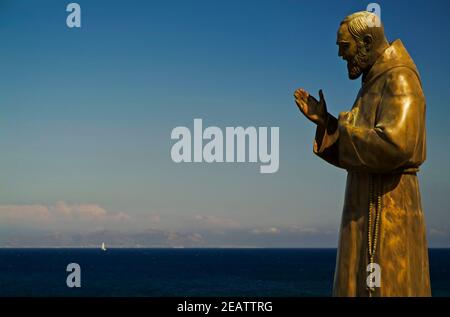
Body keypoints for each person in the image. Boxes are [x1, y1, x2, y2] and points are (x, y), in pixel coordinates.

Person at [294, 11, 431, 296]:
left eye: (345, 47)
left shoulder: (400, 79)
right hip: (366, 203)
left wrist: (341, 125)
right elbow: (363, 142)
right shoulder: (374, 81)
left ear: (367, 42)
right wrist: (326, 123)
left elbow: (397, 145)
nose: (341, 56)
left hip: (387, 207)